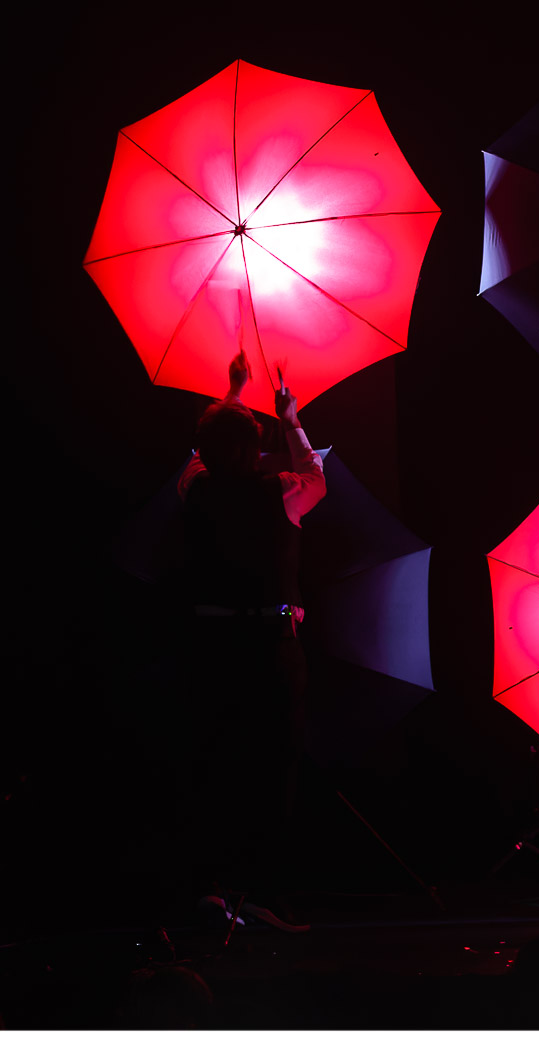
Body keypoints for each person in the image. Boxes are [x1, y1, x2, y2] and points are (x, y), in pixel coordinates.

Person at [176, 350, 326, 932]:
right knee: (272, 769)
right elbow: (317, 476)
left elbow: (197, 459)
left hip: (210, 648)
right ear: (252, 448)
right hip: (269, 646)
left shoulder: (196, 489)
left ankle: (213, 891)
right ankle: (260, 895)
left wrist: (233, 394)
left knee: (216, 765)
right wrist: (290, 418)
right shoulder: (283, 491)